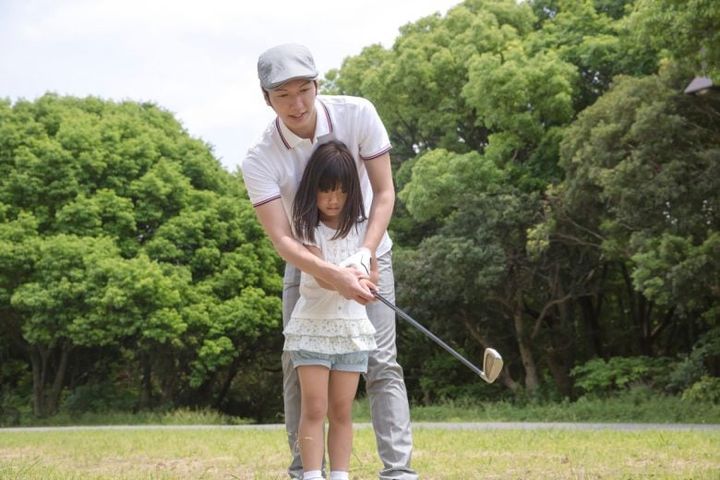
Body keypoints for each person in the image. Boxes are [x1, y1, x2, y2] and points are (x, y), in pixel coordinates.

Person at [241, 43, 417, 480]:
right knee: (298, 365)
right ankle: (305, 472)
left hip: (370, 252)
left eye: (304, 89)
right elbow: (282, 238)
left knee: (382, 361)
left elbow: (385, 193)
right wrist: (332, 274)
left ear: (318, 85)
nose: (297, 104)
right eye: (283, 95)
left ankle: (398, 472)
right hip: (307, 261)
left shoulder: (358, 114)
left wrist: (364, 253)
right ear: (266, 99)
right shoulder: (260, 158)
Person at [284, 139, 379, 480]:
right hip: (312, 329)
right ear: (313, 189)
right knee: (314, 408)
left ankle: (340, 475)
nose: (333, 199)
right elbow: (323, 278)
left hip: (351, 332)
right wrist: (347, 279)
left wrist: (366, 283)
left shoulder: (364, 229)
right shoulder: (306, 227)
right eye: (325, 190)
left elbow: (373, 274)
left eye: (341, 191)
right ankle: (312, 475)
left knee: (341, 411)